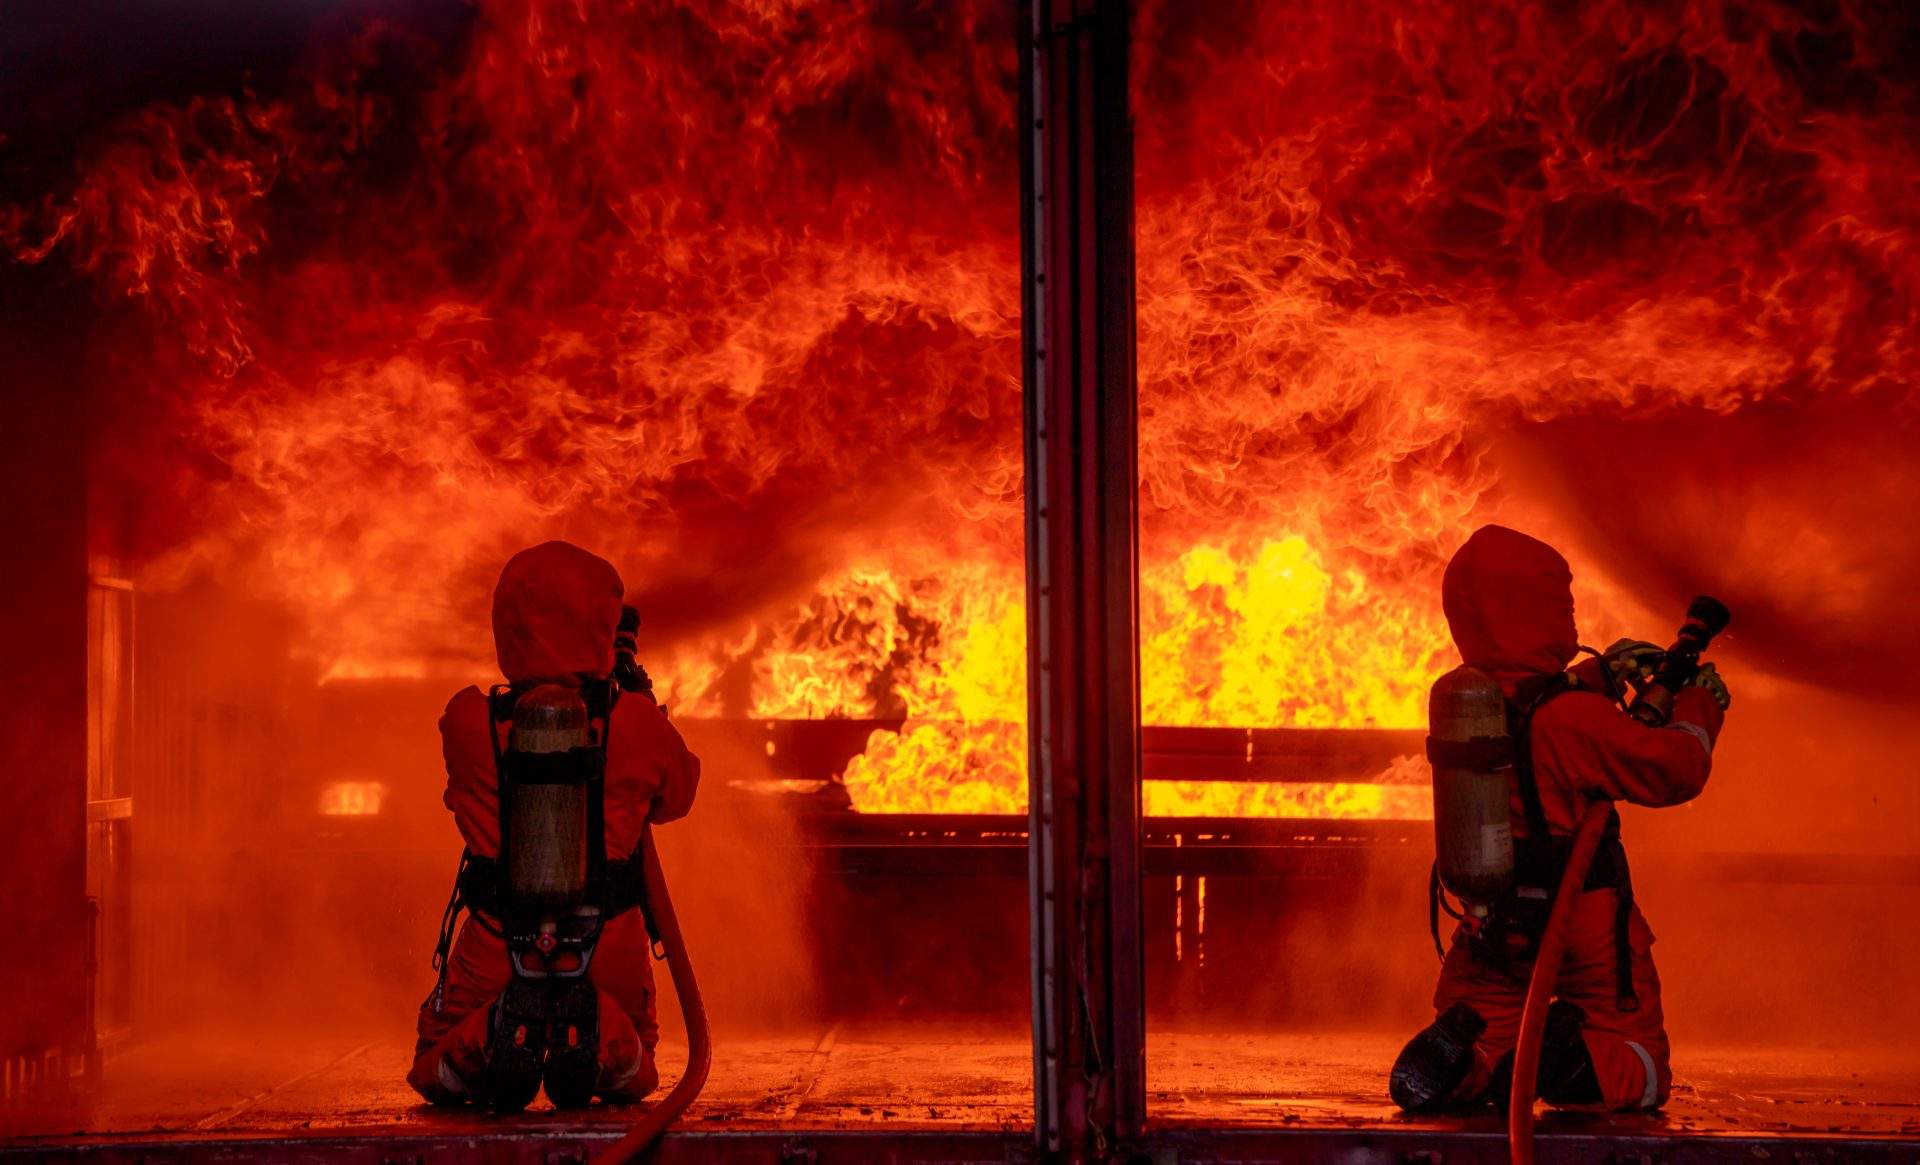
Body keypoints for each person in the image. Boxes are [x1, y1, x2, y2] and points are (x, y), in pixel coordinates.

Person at [1390, 525, 1730, 1113]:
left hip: (1490, 919)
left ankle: (1467, 1063)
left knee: (1491, 1028)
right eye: (1561, 602)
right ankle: (1563, 1058)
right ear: (1534, 609)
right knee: (1638, 1056)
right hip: (1579, 917)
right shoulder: (1572, 720)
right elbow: (1671, 770)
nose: (1570, 614)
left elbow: (1539, 704)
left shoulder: (1474, 706)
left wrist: (1605, 673)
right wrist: (1700, 702)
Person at [407, 541, 700, 1107]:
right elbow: (677, 798)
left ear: (507, 625)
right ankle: (597, 1031)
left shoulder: (465, 720)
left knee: (432, 1059)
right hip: (608, 943)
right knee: (639, 1066)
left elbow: (461, 795)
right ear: (600, 625)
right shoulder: (637, 725)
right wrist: (638, 704)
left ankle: (497, 1029)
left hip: (497, 942)